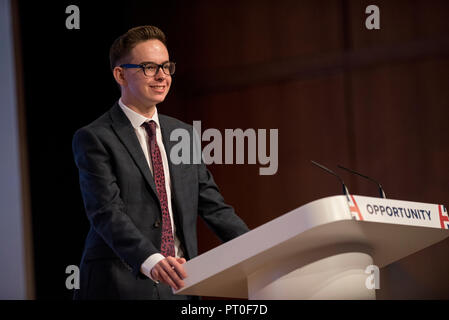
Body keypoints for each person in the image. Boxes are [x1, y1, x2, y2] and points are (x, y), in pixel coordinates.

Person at [72, 25, 249, 300]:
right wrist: (151, 259)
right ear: (120, 74)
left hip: (181, 284)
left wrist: (256, 247)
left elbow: (213, 205)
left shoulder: (183, 134)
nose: (162, 76)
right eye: (149, 67)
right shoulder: (95, 137)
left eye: (166, 67)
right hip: (120, 283)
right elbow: (106, 212)